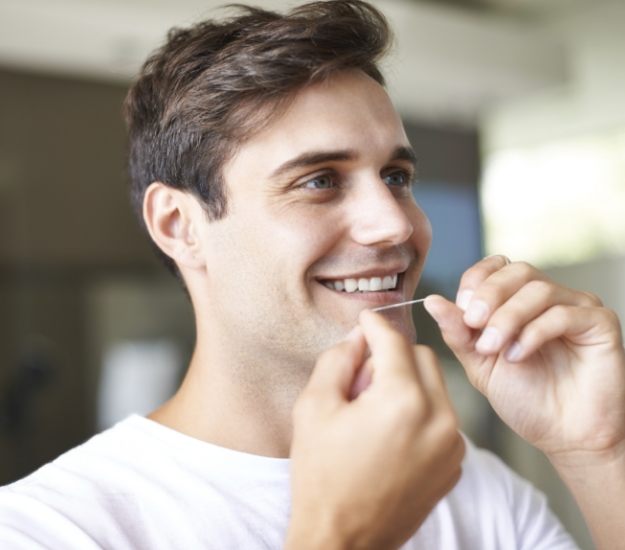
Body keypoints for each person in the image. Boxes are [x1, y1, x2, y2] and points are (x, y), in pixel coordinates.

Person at [1, 1, 624, 548]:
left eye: (397, 178)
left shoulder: (476, 487)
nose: (395, 225)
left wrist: (597, 452)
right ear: (179, 225)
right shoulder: (50, 529)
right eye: (319, 181)